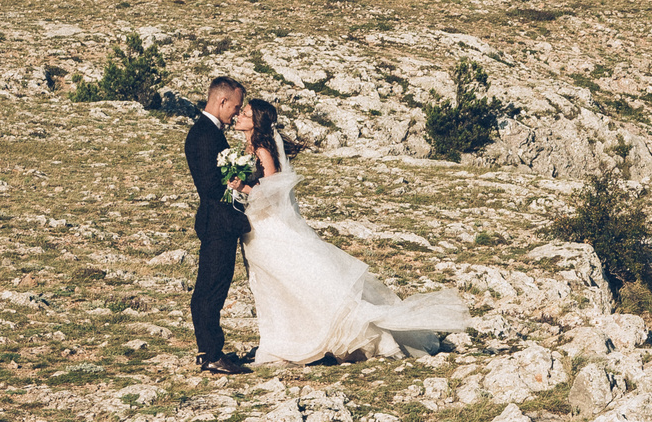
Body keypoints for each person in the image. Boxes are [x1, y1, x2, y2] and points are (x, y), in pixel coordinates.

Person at [233, 98, 470, 362]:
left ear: (256, 122)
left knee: (298, 281)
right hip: (257, 228)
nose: (239, 116)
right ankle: (290, 336)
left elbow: (273, 192)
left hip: (271, 229)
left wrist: (241, 187)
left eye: (245, 113)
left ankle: (324, 338)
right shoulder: (250, 146)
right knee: (278, 286)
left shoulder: (263, 150)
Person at [185, 75, 252, 375]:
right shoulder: (202, 135)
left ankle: (211, 350)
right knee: (210, 289)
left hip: (221, 222)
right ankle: (210, 353)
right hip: (216, 222)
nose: (237, 113)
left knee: (217, 285)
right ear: (221, 101)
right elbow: (210, 185)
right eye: (235, 107)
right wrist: (235, 182)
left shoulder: (211, 132)